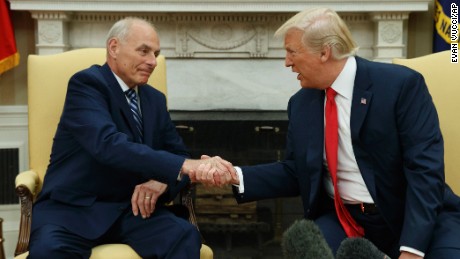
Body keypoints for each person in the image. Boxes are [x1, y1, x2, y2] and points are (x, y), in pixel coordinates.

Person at [195, 7, 460, 259]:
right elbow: (294, 171)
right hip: (347, 221)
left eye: (291, 52)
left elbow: (424, 171)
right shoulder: (301, 104)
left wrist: (412, 249)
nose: (286, 62)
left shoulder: (400, 86)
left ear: (324, 52)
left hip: (414, 217)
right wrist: (235, 175)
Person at [28, 17, 233, 259]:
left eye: (156, 53)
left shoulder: (154, 99)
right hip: (73, 211)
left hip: (133, 211)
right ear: (114, 47)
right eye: (144, 51)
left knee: (183, 235)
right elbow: (108, 145)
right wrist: (184, 166)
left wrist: (163, 181)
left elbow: (178, 153)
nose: (153, 62)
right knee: (50, 251)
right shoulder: (87, 85)